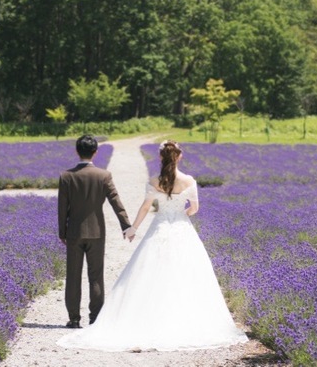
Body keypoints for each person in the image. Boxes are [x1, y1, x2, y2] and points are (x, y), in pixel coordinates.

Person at [57, 140, 248, 352]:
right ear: (179, 156)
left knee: (89, 275)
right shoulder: (188, 181)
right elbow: (193, 209)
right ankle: (100, 317)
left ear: (160, 157)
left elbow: (145, 207)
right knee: (186, 275)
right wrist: (178, 216)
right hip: (178, 229)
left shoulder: (154, 181)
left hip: (137, 230)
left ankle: (76, 318)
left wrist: (132, 228)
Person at [58, 134, 133, 329]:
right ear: (96, 152)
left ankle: (74, 318)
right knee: (96, 275)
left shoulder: (66, 176)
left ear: (77, 151)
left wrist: (62, 232)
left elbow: (62, 208)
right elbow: (116, 201)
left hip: (74, 232)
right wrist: (126, 225)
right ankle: (95, 317)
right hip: (97, 232)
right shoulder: (104, 176)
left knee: (73, 275)